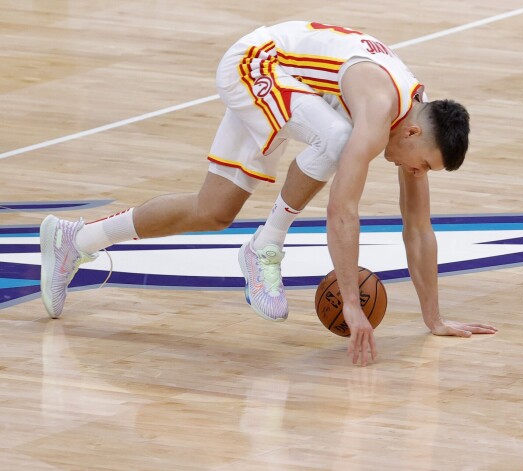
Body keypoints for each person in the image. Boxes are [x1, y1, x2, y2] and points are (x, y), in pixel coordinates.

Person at [40, 21, 497, 366]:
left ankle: (74, 241)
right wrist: (353, 307)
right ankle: (265, 244)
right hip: (256, 65)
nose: (418, 172)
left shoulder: (414, 120)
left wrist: (434, 319)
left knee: (213, 210)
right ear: (414, 131)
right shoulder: (380, 111)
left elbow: (418, 227)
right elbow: (342, 210)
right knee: (337, 141)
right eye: (423, 163)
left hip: (290, 82)